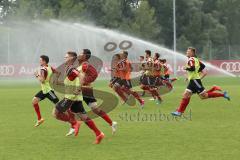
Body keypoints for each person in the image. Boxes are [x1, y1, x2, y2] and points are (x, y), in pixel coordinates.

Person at [54, 51, 104, 144]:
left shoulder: (71, 69)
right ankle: (99, 134)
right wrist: (57, 80)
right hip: (75, 98)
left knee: (55, 113)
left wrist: (78, 88)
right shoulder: (68, 68)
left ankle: (74, 123)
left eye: (66, 57)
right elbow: (68, 83)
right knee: (84, 117)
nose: (64, 58)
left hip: (71, 97)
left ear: (71, 58)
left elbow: (81, 76)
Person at [65, 49, 117, 136]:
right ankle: (111, 123)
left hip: (84, 90)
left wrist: (84, 81)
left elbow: (94, 75)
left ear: (85, 56)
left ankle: (75, 126)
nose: (79, 54)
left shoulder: (85, 64)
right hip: (83, 90)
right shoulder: (80, 65)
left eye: (81, 53)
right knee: (92, 110)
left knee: (71, 108)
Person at [171, 47, 230, 116]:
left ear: (192, 53)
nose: (187, 52)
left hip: (195, 81)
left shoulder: (190, 59)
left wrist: (186, 68)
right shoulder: (195, 59)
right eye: (187, 51)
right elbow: (202, 66)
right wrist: (195, 72)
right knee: (186, 95)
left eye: (188, 51)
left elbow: (192, 68)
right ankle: (179, 111)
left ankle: (223, 94)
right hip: (193, 80)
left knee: (204, 96)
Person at [32, 55, 59, 127]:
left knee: (60, 105)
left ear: (44, 61)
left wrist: (37, 75)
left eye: (40, 60)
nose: (39, 61)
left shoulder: (43, 69)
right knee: (34, 101)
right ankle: (39, 119)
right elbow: (58, 73)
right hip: (44, 91)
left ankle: (73, 120)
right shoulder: (49, 67)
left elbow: (42, 81)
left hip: (49, 91)